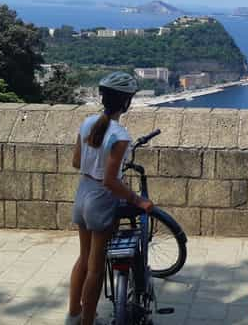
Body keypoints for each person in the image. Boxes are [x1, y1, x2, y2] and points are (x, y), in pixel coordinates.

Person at [65, 72, 154, 325]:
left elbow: (75, 162)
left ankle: (73, 314)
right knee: (95, 267)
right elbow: (111, 181)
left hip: (82, 192)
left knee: (83, 258)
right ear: (126, 102)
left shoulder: (87, 123)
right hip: (101, 199)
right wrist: (139, 200)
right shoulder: (120, 135)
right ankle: (89, 322)